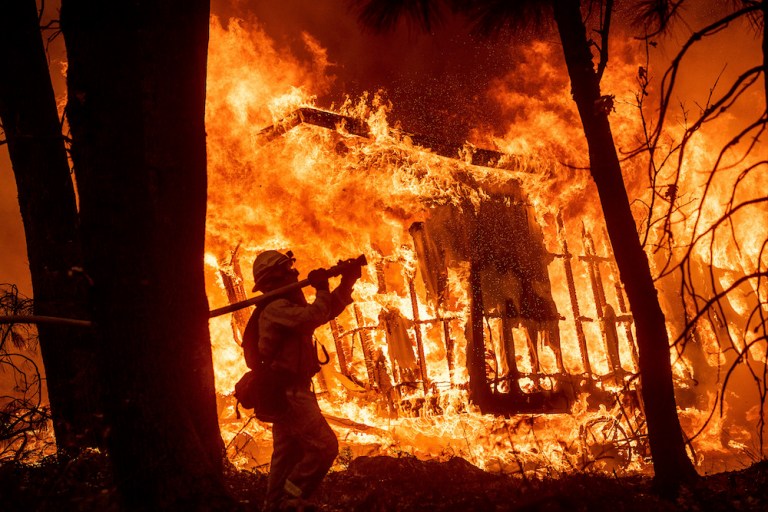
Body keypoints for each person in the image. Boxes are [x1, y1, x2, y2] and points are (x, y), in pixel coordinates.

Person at [241, 250, 361, 512]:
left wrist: (346, 283)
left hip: (286, 393)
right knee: (325, 448)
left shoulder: (284, 307)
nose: (295, 273)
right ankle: (290, 497)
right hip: (290, 395)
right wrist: (321, 288)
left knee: (286, 456)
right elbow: (313, 316)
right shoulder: (275, 309)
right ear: (274, 278)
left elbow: (324, 311)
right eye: (288, 270)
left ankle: (273, 505)